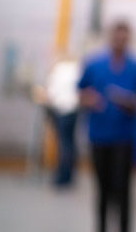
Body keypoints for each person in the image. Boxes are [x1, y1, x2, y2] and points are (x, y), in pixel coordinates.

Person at [78, 21, 136, 232]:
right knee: (102, 188)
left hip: (124, 139)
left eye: (124, 38)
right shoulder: (93, 64)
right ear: (110, 37)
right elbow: (81, 93)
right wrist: (89, 100)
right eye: (117, 37)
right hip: (99, 136)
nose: (120, 41)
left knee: (123, 189)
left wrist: (128, 101)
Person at [31, 56, 81, 187]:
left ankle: (62, 176)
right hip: (73, 110)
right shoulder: (75, 70)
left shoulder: (58, 71)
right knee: (69, 144)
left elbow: (51, 93)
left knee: (64, 145)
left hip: (61, 110)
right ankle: (68, 175)